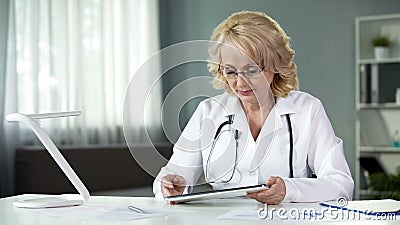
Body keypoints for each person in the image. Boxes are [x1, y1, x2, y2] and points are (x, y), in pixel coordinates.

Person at [153, 11, 354, 204]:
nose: (241, 83)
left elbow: (340, 184)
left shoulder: (307, 110)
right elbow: (173, 173)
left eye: (251, 70)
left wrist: (290, 190)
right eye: (231, 72)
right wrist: (171, 185)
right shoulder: (209, 112)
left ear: (275, 65)